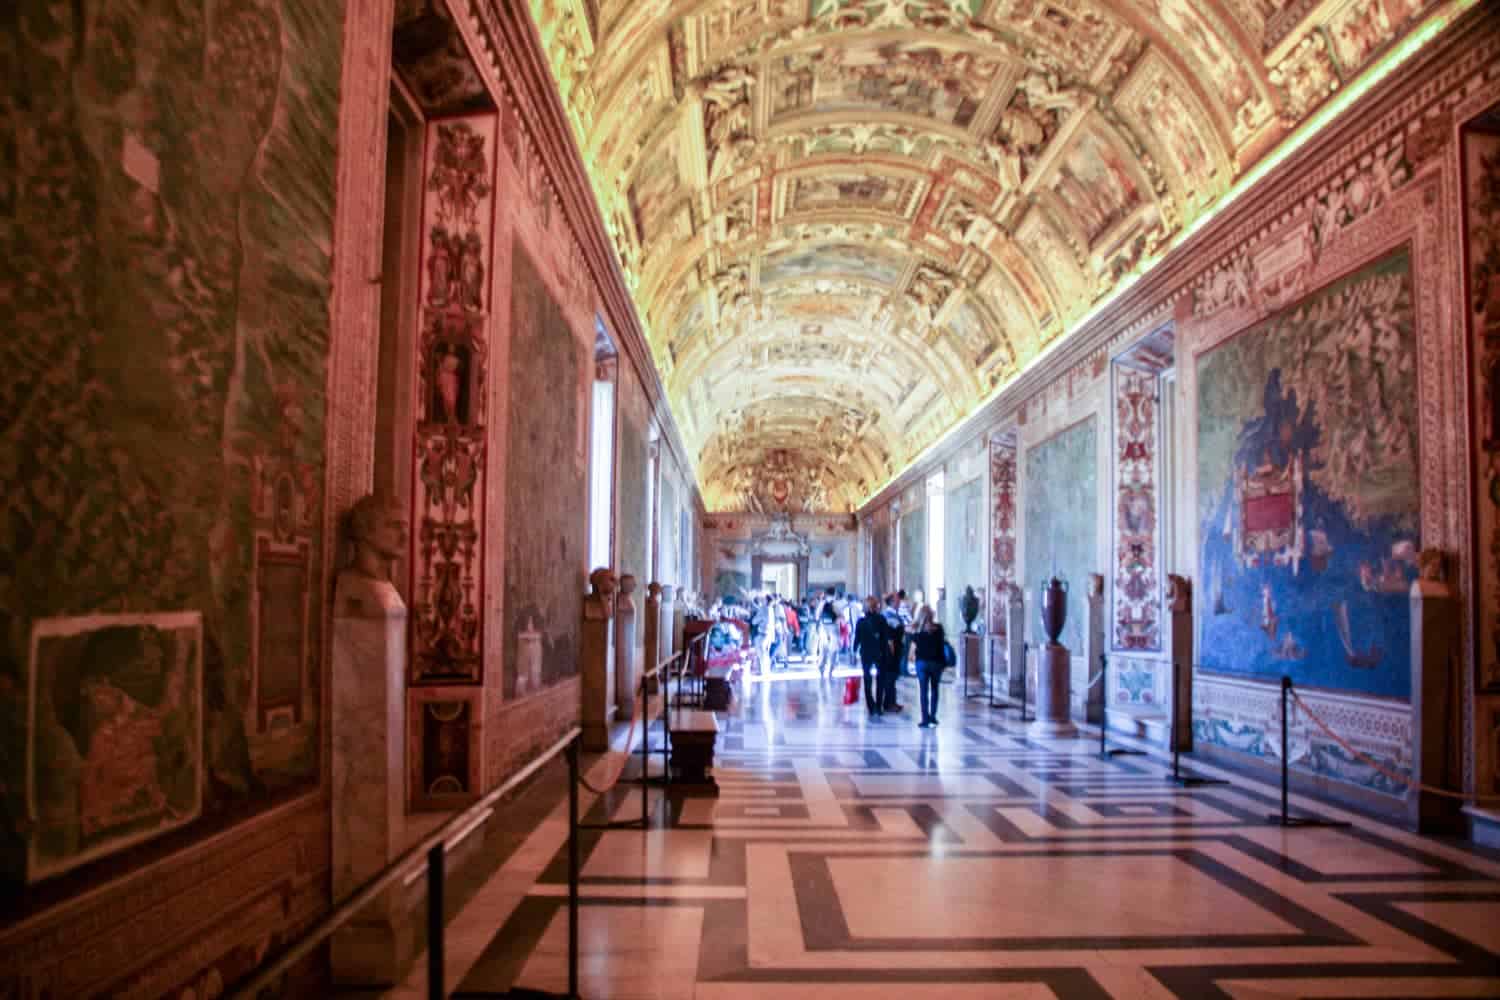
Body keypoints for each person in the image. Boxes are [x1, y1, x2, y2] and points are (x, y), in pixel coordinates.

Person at [854, 596, 894, 718]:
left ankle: (871, 707)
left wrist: (854, 652)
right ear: (876, 606)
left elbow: (857, 639)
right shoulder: (881, 619)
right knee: (880, 681)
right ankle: (878, 706)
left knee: (867, 680)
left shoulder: (861, 622)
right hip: (879, 653)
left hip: (866, 653)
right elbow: (887, 637)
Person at [910, 604, 947, 728]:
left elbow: (913, 646)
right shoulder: (939, 629)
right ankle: (933, 716)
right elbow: (941, 646)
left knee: (923, 691)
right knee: (935, 689)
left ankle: (925, 718)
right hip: (936, 663)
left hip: (922, 663)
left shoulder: (917, 630)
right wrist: (943, 663)